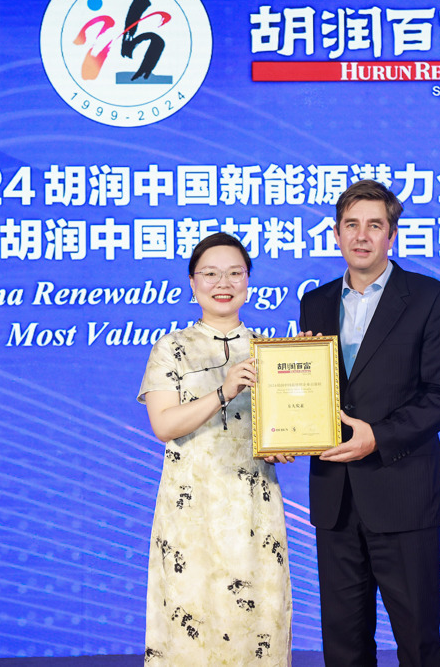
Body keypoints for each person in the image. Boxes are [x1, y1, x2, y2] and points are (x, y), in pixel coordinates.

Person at [299, 180, 440, 667]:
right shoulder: (315, 302)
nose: (362, 235)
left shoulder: (430, 298)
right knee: (343, 645)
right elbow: (309, 388)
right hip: (335, 496)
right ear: (336, 234)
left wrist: (379, 436)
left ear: (391, 235)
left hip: (404, 492)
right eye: (351, 225)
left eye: (375, 225)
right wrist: (287, 428)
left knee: (416, 641)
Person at [138, 232, 292, 665]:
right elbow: (164, 425)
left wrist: (286, 443)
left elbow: (282, 427)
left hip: (254, 507)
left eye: (234, 273)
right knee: (191, 617)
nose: (223, 283)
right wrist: (222, 392)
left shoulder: (270, 350)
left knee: (260, 620)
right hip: (191, 508)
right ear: (193, 282)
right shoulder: (172, 348)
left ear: (248, 281)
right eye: (210, 274)